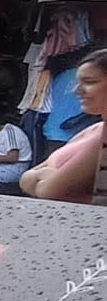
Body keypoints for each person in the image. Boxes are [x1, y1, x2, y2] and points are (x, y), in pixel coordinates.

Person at [24, 49, 107, 203]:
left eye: (90, 82)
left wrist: (46, 175)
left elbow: (49, 190)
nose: (77, 91)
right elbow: (28, 180)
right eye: (78, 83)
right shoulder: (94, 130)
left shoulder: (100, 136)